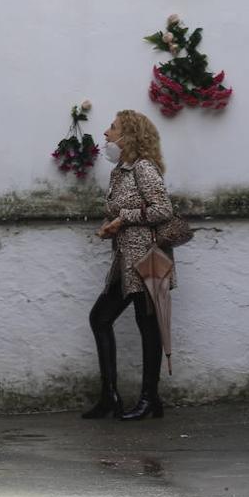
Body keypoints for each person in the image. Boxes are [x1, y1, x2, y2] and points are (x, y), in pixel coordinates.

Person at [82, 109, 174, 421]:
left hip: (147, 260)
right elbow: (122, 209)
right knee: (100, 318)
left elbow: (163, 209)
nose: (106, 134)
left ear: (129, 136)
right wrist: (110, 225)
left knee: (148, 326)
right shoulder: (120, 171)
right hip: (125, 261)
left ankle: (151, 399)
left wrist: (125, 219)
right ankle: (110, 396)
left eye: (113, 127)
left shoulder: (144, 168)